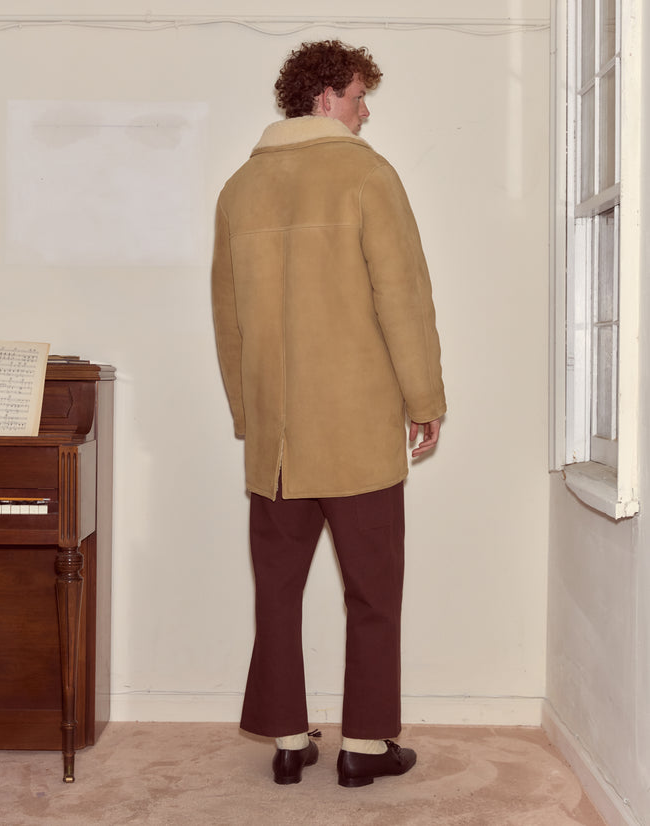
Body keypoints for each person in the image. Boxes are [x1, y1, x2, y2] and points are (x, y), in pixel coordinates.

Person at [211, 39, 446, 788]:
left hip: (277, 443)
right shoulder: (365, 176)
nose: (364, 109)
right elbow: (402, 298)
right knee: (373, 592)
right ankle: (365, 748)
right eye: (356, 96)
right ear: (322, 98)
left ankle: (287, 740)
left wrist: (249, 416)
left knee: (276, 593)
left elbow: (229, 323)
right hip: (354, 432)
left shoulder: (239, 190)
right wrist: (425, 399)